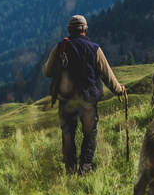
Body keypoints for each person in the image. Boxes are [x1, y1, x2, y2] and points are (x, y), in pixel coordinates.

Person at [43, 15, 125, 175]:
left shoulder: (61, 48)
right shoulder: (94, 49)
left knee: (68, 134)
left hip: (66, 101)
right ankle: (85, 168)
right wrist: (119, 90)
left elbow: (47, 72)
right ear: (85, 29)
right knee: (90, 134)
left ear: (69, 30)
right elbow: (107, 74)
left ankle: (70, 169)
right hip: (88, 100)